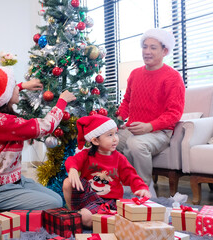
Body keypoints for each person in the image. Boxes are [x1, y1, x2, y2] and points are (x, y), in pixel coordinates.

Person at [0, 67, 76, 211]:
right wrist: (62, 102)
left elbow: (4, 92)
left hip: (15, 179)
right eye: (14, 86)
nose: (17, 89)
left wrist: (23, 86)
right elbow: (46, 126)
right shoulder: (3, 122)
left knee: (57, 199)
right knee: (55, 203)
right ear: (5, 95)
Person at [116, 28, 185, 191]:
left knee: (135, 144)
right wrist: (117, 121)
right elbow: (126, 102)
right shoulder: (135, 74)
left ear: (165, 50)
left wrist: (149, 126)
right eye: (145, 47)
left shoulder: (173, 77)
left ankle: (145, 191)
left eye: (153, 48)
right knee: (106, 140)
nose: (147, 51)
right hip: (132, 128)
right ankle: (117, 189)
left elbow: (174, 113)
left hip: (159, 132)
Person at [63, 115, 151, 228]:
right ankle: (74, 213)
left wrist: (141, 187)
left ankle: (101, 219)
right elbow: (72, 160)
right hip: (90, 196)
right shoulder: (86, 155)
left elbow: (131, 175)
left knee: (85, 217)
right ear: (95, 140)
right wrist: (73, 169)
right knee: (67, 182)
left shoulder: (119, 158)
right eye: (110, 135)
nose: (115, 139)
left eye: (116, 133)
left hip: (109, 201)